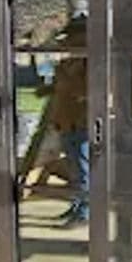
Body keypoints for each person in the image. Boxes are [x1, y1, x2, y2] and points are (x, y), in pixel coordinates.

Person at [42, 16, 88, 226]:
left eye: (72, 38)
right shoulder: (69, 62)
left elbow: (85, 92)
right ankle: (77, 206)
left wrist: (65, 79)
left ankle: (85, 212)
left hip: (83, 123)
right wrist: (47, 88)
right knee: (75, 170)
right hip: (65, 123)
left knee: (84, 170)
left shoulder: (91, 64)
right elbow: (62, 89)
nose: (68, 42)